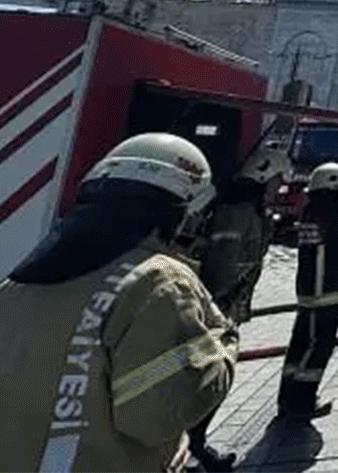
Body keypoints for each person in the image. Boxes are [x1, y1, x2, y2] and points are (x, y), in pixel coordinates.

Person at [0, 132, 238, 472]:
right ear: (183, 214)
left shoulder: (14, 286)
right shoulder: (159, 282)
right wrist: (222, 342)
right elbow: (154, 418)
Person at [188, 142, 291, 471]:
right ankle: (191, 448)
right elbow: (222, 264)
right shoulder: (238, 212)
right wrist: (218, 310)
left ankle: (195, 446)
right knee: (204, 380)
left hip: (226, 310)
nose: (279, 187)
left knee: (213, 379)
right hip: (216, 312)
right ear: (262, 176)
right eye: (277, 179)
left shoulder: (252, 210)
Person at [277, 162, 338, 420]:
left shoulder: (314, 208)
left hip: (312, 289)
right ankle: (301, 402)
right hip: (324, 291)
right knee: (318, 346)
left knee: (300, 344)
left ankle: (288, 398)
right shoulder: (329, 211)